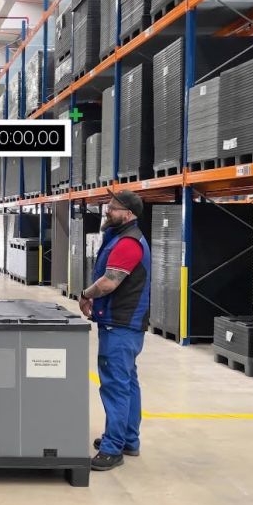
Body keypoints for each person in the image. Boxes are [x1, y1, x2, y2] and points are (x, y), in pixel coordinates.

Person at [78, 190, 151, 472]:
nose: (108, 211)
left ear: (129, 214)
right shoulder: (121, 238)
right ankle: (128, 440)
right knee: (128, 382)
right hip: (123, 323)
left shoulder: (129, 243)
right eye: (108, 206)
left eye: (114, 208)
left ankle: (112, 449)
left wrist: (86, 294)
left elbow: (109, 282)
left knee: (115, 386)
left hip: (121, 325)